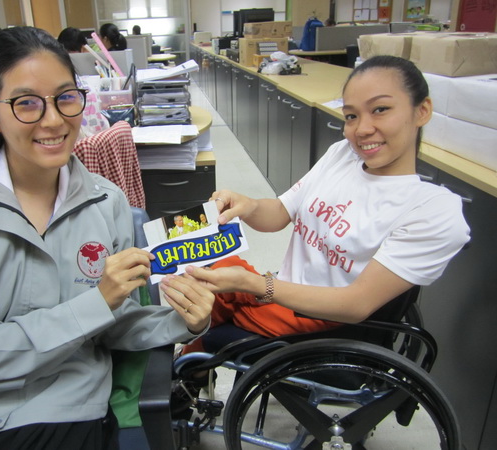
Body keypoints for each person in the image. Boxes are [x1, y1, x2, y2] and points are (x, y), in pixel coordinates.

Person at [0, 26, 213, 449]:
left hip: (63, 407)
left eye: (65, 97)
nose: (53, 120)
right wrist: (97, 302)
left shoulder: (107, 202)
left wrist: (185, 320)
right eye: (26, 103)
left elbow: (115, 325)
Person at [182, 55, 470, 355]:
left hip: (321, 320)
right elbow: (280, 214)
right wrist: (249, 205)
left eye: (380, 110)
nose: (362, 129)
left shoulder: (433, 210)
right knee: (207, 272)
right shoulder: (342, 155)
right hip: (284, 292)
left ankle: (193, 358)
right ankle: (192, 351)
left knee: (209, 300)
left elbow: (356, 304)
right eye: (351, 116)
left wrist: (255, 285)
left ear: (422, 111)